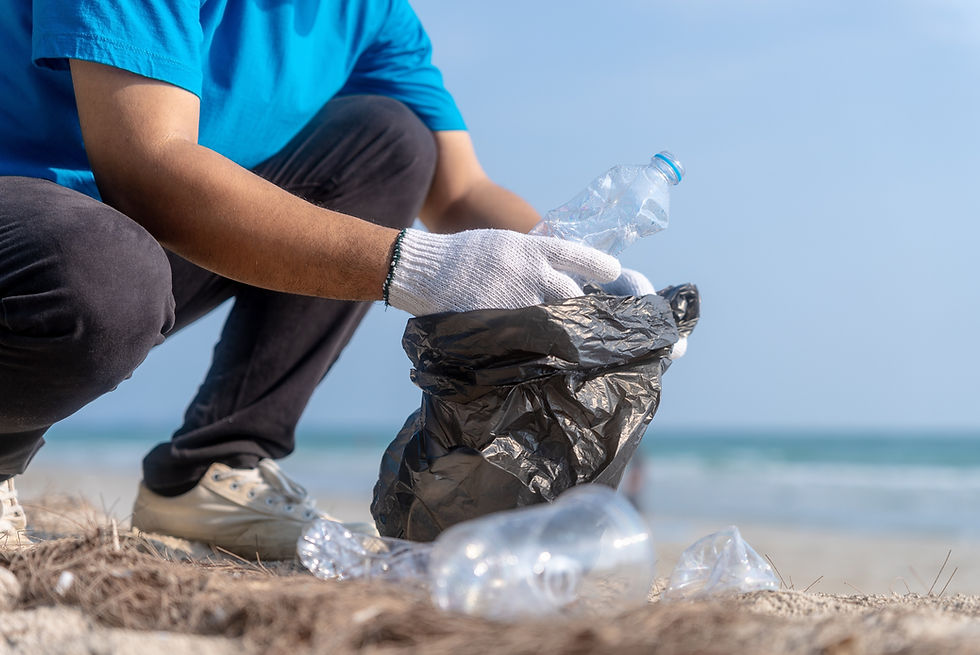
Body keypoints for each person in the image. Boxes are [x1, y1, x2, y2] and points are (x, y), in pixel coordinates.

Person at [0, 0, 656, 557]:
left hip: (135, 251)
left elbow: (458, 192)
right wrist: (417, 266)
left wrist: (585, 283)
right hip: (37, 240)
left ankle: (212, 470)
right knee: (101, 267)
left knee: (391, 141)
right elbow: (148, 169)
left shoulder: (368, 12)